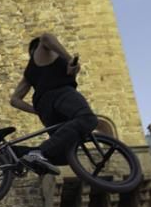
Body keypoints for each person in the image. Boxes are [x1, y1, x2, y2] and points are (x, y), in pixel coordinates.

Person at [9, 32, 98, 174]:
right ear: (36, 48)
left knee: (63, 154)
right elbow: (45, 37)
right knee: (87, 119)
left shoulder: (29, 72)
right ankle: (39, 151)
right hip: (60, 94)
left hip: (45, 109)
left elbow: (14, 100)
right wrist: (69, 59)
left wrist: (36, 110)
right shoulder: (43, 53)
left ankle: (21, 152)